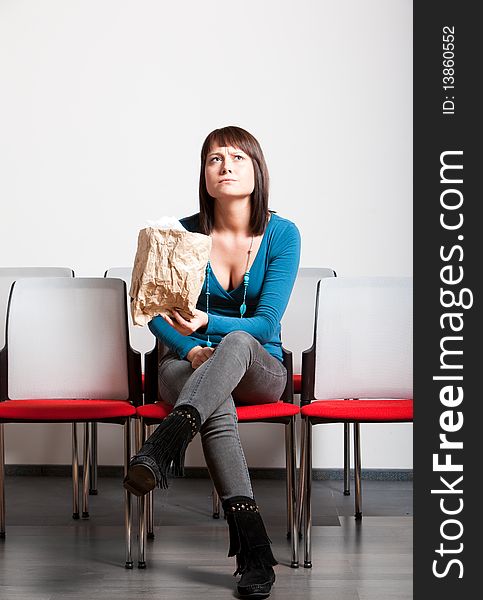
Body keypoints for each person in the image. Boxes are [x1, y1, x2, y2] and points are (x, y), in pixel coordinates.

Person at [124, 125, 301, 598]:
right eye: (215, 159)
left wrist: (208, 326)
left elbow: (265, 325)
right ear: (204, 176)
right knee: (214, 404)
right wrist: (190, 348)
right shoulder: (177, 234)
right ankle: (254, 551)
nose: (226, 167)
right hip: (186, 365)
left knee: (240, 340)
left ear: (257, 170)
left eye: (238, 158)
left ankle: (164, 443)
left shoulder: (283, 234)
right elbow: (152, 311)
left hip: (258, 367)